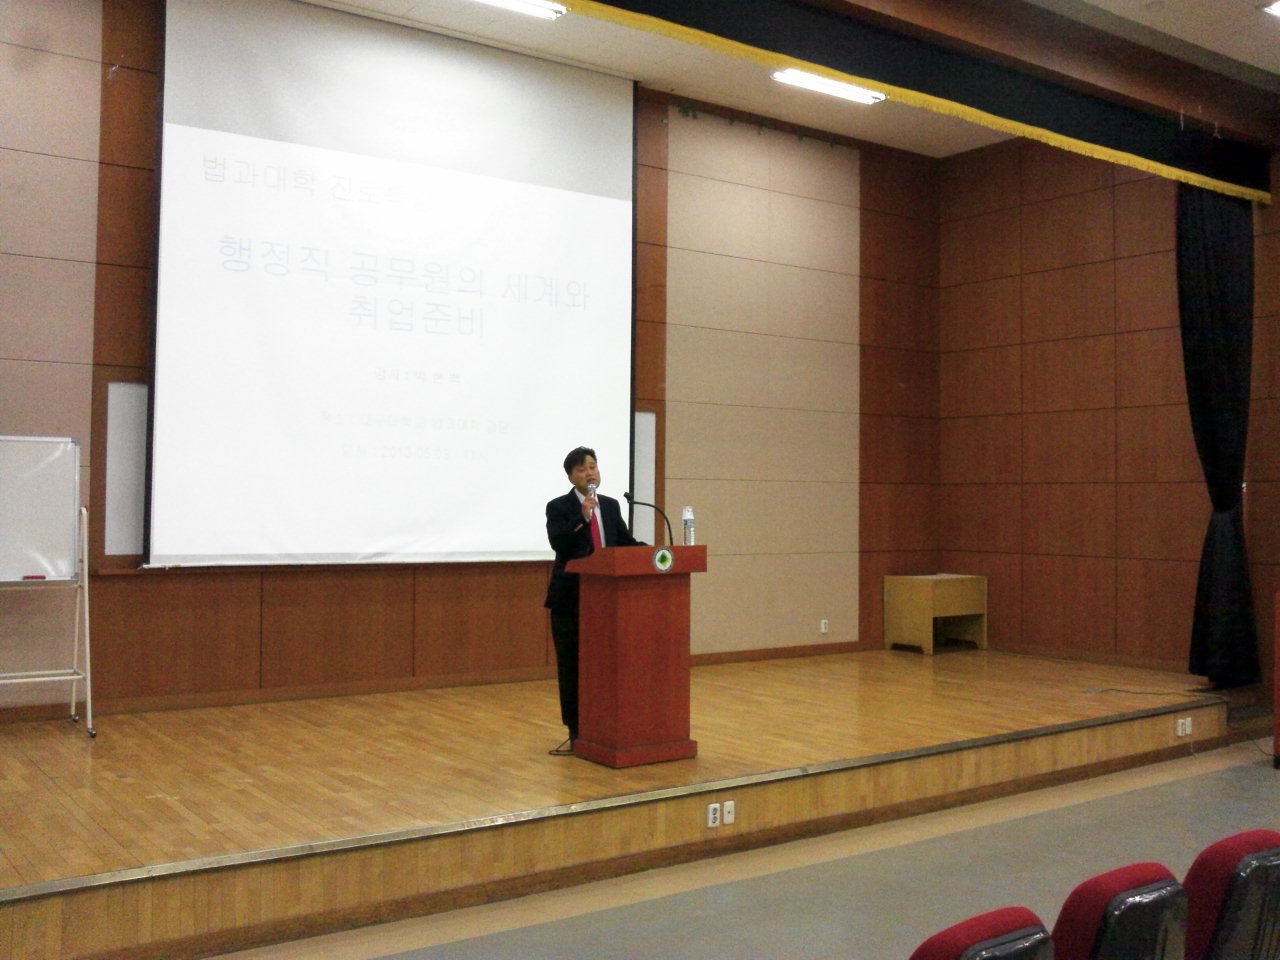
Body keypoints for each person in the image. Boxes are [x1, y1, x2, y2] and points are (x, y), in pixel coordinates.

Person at [543, 446, 643, 756]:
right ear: (571, 477)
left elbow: (624, 544)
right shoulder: (559, 507)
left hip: (607, 604)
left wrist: (655, 552)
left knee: (606, 667)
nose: (590, 473)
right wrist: (582, 517)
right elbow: (560, 543)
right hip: (570, 601)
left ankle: (604, 728)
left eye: (593, 466)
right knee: (572, 668)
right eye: (582, 469)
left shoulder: (611, 506)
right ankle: (576, 731)